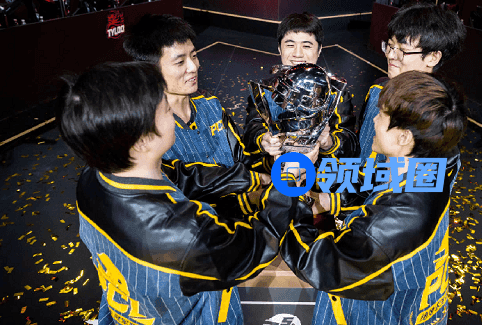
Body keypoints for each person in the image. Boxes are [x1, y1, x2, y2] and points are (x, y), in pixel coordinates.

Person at [57, 61, 301, 325]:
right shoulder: (180, 233)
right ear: (143, 139)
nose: (173, 112)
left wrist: (255, 179)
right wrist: (290, 179)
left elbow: (184, 176)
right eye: (165, 108)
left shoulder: (95, 176)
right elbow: (254, 247)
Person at [281, 71, 467, 325]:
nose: (374, 120)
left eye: (382, 115)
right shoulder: (432, 163)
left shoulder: (387, 226)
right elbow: (370, 178)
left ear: (404, 137)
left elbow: (316, 263)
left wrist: (292, 193)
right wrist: (322, 191)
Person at [124, 14, 266, 212]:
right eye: (180, 62)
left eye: (194, 56)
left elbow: (241, 157)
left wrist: (273, 160)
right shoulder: (147, 132)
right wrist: (251, 197)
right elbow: (177, 193)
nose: (194, 67)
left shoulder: (211, 105)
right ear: (151, 71)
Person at [244, 12, 358, 172]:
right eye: (290, 45)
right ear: (279, 48)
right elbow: (251, 129)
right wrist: (264, 140)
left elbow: (351, 143)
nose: (297, 54)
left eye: (307, 46)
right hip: (274, 173)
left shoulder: (335, 93)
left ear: (319, 50)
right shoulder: (266, 89)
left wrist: (328, 142)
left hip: (320, 176)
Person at [358, 2, 466, 167]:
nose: (391, 55)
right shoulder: (377, 90)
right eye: (390, 46)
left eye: (402, 50)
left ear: (432, 57)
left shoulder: (440, 120)